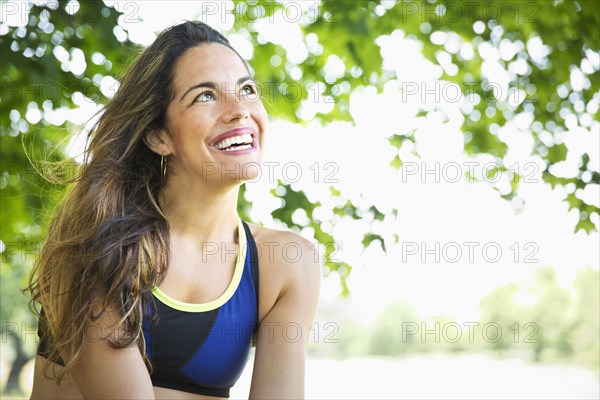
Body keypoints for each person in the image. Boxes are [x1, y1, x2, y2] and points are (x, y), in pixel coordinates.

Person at [27, 20, 321, 399]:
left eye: (247, 89)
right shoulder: (98, 250)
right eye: (205, 96)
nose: (238, 111)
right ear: (158, 135)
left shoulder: (287, 262)